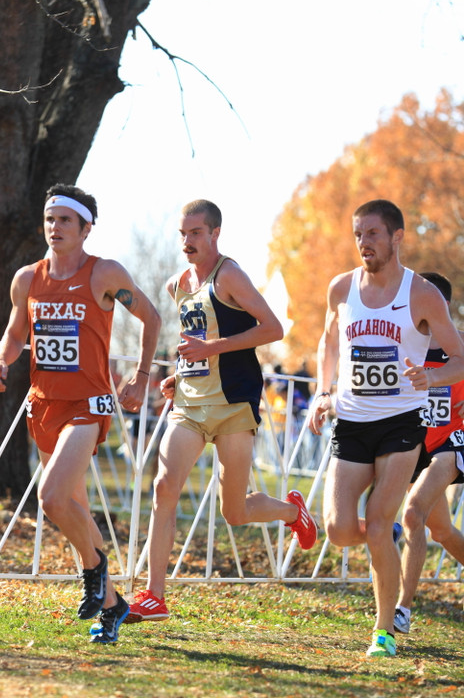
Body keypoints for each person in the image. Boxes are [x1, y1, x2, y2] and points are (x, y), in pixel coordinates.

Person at [125, 198, 317, 623]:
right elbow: (192, 340)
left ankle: (292, 511)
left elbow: (273, 328)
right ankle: (154, 596)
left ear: (214, 234)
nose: (187, 241)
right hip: (191, 403)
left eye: (195, 233)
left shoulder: (229, 275)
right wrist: (179, 372)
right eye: (182, 234)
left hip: (233, 404)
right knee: (163, 486)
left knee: (234, 512)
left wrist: (214, 349)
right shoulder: (177, 285)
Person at [0, 184, 161, 644]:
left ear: (86, 228)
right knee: (74, 507)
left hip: (89, 404)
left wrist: (141, 376)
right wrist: (0, 361)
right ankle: (112, 607)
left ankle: (94, 573)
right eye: (50, 219)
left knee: (50, 496)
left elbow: (152, 318)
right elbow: (14, 333)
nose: (55, 227)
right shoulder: (27, 279)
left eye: (66, 219)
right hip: (44, 404)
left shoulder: (104, 274)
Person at [307, 199, 464, 658]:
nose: (363, 243)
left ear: (396, 237)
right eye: (358, 234)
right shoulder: (340, 288)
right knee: (337, 529)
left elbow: (460, 358)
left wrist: (431, 377)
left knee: (377, 523)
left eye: (372, 234)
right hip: (353, 420)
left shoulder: (422, 294)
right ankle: (385, 542)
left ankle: (384, 631)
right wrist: (322, 392)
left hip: (402, 422)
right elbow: (328, 340)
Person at [394, 272, 464, 634]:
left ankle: (401, 609)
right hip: (413, 444)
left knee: (412, 513)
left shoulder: (461, 347)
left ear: (442, 306)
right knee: (442, 530)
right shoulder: (407, 345)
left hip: (450, 445)